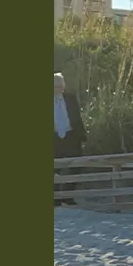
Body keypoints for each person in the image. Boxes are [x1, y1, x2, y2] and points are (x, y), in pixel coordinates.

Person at [54, 73, 86, 207]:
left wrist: (83, 136)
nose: (58, 89)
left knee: (77, 165)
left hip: (70, 135)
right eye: (55, 86)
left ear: (64, 86)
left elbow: (77, 118)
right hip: (54, 137)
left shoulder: (71, 99)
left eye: (60, 86)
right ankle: (55, 198)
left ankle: (67, 195)